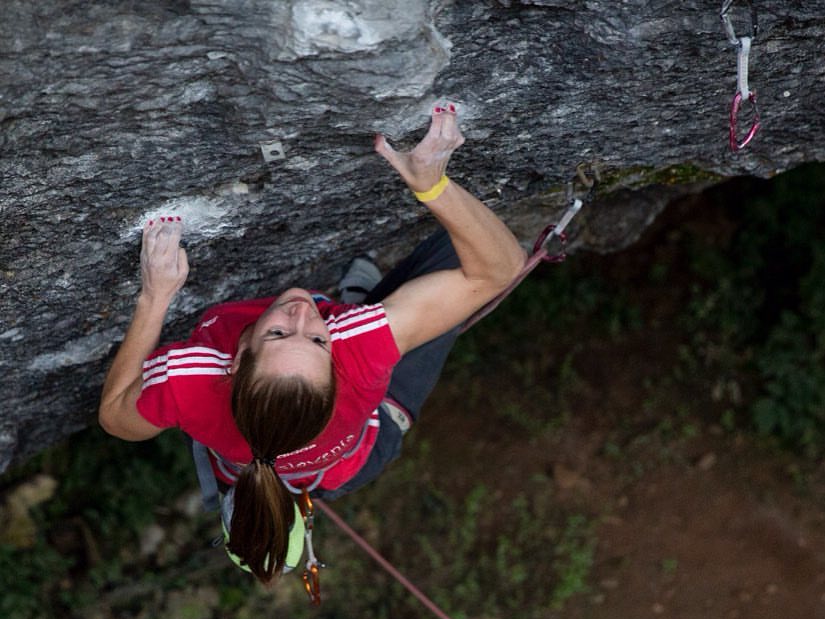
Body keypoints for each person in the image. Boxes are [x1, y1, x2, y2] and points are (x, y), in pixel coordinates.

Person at [98, 102, 526, 584]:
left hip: (344, 464)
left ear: (234, 361)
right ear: (337, 364)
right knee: (463, 252)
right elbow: (499, 268)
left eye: (278, 332)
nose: (303, 311)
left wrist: (155, 298)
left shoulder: (193, 378)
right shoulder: (358, 352)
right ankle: (360, 301)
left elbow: (117, 416)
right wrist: (432, 184)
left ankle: (362, 299)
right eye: (318, 338)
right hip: (366, 437)